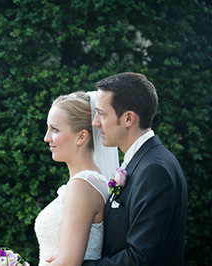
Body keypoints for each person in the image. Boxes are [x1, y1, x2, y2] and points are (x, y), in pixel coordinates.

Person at [83, 72, 188, 265]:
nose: (95, 121)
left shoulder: (155, 170)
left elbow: (140, 259)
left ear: (128, 118)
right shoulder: (142, 161)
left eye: (102, 113)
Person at [34, 91, 119, 265]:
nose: (46, 138)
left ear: (81, 137)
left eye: (55, 129)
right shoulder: (92, 182)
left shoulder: (82, 185)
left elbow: (69, 263)